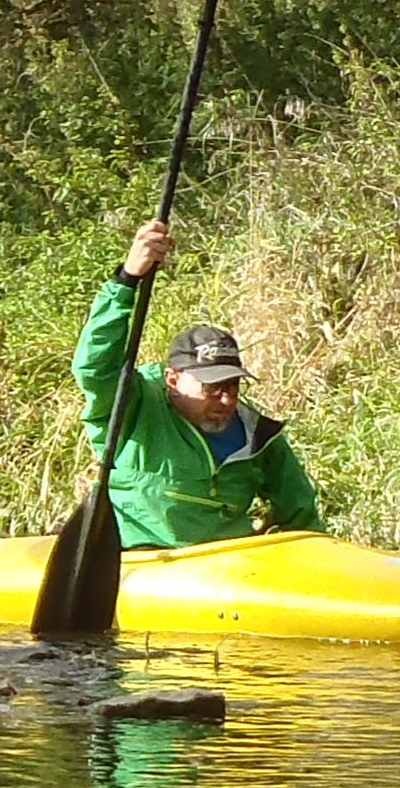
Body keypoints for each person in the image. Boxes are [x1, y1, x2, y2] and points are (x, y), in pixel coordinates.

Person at [73, 217, 323, 550]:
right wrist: (127, 280)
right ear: (172, 379)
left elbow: (301, 514)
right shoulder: (132, 407)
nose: (226, 400)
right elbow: (95, 367)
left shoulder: (259, 436)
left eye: (232, 386)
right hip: (141, 559)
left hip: (224, 565)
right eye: (211, 388)